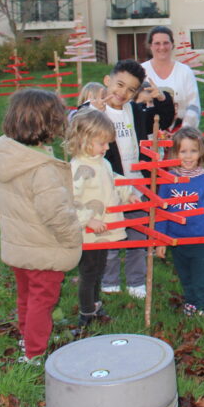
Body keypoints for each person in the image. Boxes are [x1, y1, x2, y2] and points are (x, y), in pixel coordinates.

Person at [0, 88, 81, 365]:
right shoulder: (41, 168)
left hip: (19, 245)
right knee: (43, 301)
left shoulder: (11, 155)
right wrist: (73, 236)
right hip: (43, 248)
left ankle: (26, 338)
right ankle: (35, 353)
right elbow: (54, 213)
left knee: (26, 296)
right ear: (49, 125)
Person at [80, 59, 175, 299]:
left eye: (131, 89)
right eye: (119, 85)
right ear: (107, 81)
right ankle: (109, 281)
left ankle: (136, 282)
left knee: (139, 239)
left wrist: (162, 98)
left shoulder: (135, 111)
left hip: (137, 188)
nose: (122, 93)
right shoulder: (93, 110)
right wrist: (91, 113)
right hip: (107, 189)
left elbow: (163, 118)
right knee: (110, 239)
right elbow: (74, 125)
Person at [65, 108, 134, 330]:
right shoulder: (80, 167)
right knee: (89, 272)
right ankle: (86, 314)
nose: (107, 148)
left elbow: (112, 180)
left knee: (99, 269)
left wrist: (128, 192)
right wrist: (87, 220)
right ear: (84, 140)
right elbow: (69, 199)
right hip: (89, 233)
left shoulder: (101, 162)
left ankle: (95, 305)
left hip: (104, 230)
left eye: (107, 143)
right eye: (102, 143)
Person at [155, 127, 204, 321]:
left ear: (201, 152)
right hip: (177, 240)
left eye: (193, 150)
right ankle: (191, 303)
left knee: (199, 277)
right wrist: (161, 240)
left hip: (200, 238)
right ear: (174, 153)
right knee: (185, 276)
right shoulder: (168, 180)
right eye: (182, 151)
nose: (188, 156)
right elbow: (161, 211)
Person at [141, 26, 201, 131]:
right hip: (149, 135)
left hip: (181, 133)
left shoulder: (185, 71)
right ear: (150, 46)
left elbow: (194, 106)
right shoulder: (141, 71)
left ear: (172, 44)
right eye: (157, 43)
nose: (162, 47)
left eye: (166, 43)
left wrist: (182, 133)